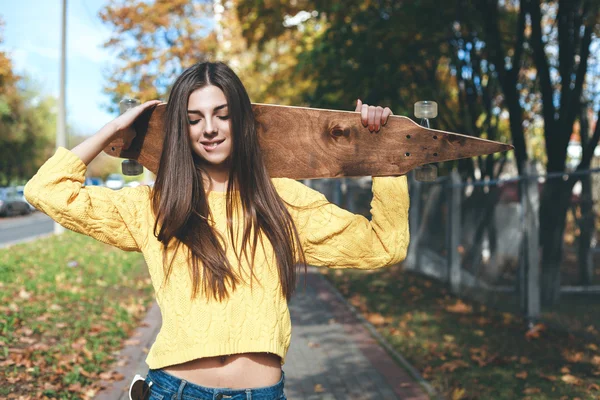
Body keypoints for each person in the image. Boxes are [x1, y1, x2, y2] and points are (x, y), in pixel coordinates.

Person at [24, 61, 409, 400]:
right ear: (182, 130)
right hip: (173, 391)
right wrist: (114, 129)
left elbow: (384, 245)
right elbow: (46, 191)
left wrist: (382, 151)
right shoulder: (153, 206)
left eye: (222, 114)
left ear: (240, 119)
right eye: (193, 119)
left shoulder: (284, 201)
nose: (209, 129)